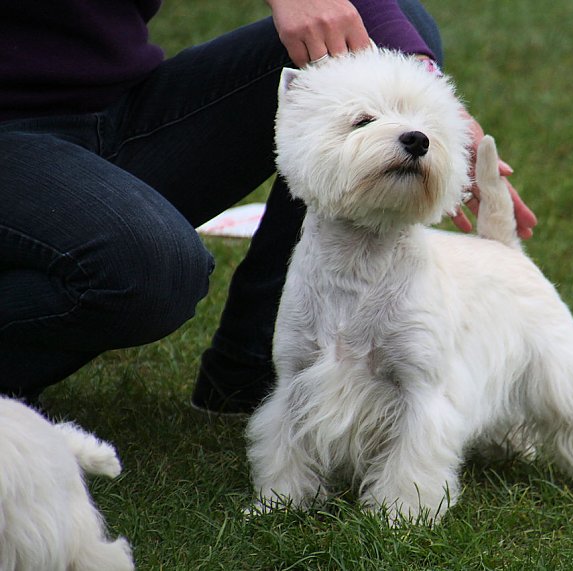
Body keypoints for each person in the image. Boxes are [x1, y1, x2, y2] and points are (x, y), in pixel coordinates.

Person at [0, 0, 537, 413]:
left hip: (122, 107)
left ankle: (255, 371)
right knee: (152, 271)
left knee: (385, 26)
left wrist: (432, 104)